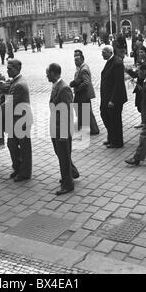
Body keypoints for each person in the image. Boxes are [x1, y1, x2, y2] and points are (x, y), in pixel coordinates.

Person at [47, 63, 79, 195]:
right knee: (61, 153)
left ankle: (68, 184)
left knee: (64, 156)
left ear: (54, 73)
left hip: (62, 129)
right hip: (56, 127)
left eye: (48, 72)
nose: (46, 75)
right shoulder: (56, 86)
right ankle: (72, 172)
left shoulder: (64, 89)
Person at [5, 59, 32, 182]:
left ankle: (25, 172)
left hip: (21, 120)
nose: (7, 70)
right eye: (7, 68)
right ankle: (17, 167)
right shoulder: (15, 82)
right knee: (12, 144)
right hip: (15, 119)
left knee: (24, 147)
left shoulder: (19, 85)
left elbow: (8, 104)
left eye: (10, 68)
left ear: (17, 69)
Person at [100, 45, 127, 148]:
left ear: (110, 52)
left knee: (115, 119)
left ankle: (117, 141)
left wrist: (113, 100)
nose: (102, 55)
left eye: (104, 53)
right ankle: (111, 137)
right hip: (107, 96)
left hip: (114, 98)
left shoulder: (117, 63)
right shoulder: (110, 61)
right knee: (105, 115)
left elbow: (118, 83)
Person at [70, 49, 99, 135]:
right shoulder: (81, 67)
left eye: (77, 60)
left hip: (83, 94)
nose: (75, 62)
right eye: (74, 60)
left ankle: (94, 129)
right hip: (81, 94)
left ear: (82, 59)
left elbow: (86, 82)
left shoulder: (84, 69)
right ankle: (83, 126)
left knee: (86, 112)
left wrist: (77, 87)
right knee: (81, 110)